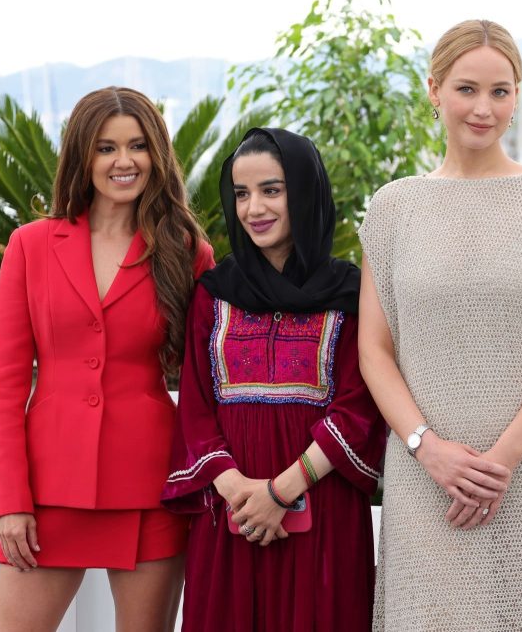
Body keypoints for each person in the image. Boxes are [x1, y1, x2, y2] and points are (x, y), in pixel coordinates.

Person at [358, 19, 522, 631]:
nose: (483, 108)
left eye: (500, 91)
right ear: (434, 90)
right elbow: (374, 351)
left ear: (517, 97)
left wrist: (501, 463)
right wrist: (427, 449)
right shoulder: (392, 208)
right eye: (466, 89)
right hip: (425, 479)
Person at [0, 86, 214, 631]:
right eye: (106, 148)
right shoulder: (30, 246)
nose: (123, 161)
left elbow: (209, 378)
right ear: (82, 156)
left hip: (151, 486)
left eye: (137, 146)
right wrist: (11, 502)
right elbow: (7, 386)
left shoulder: (186, 250)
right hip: (47, 490)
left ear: (156, 155)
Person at [162, 128, 386, 631]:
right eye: (241, 194)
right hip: (232, 516)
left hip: (322, 516)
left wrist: (281, 494)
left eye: (271, 190)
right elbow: (195, 409)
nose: (254, 208)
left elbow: (359, 408)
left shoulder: (352, 295)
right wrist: (242, 496)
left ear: (304, 192)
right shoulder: (214, 293)